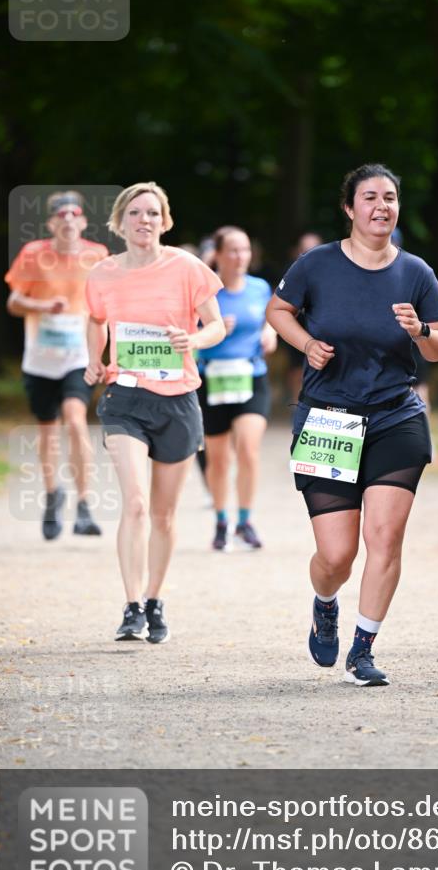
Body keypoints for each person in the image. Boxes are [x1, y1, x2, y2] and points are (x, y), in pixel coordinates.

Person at [266, 163, 438, 686]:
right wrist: (306, 344)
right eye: (369, 197)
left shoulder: (415, 272)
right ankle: (325, 602)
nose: (381, 206)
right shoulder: (317, 264)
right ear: (349, 208)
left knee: (385, 537)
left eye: (389, 197)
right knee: (336, 554)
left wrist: (420, 331)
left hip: (396, 415)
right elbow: (278, 310)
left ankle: (363, 649)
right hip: (328, 418)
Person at [84, 182, 225, 643]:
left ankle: (153, 599)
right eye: (135, 212)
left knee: (163, 514)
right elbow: (95, 319)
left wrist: (194, 339)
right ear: (120, 221)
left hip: (178, 399)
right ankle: (130, 607)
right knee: (136, 503)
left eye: (152, 213)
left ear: (164, 221)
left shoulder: (187, 267)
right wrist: (94, 358)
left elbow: (216, 325)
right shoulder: (103, 273)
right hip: (125, 398)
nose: (143, 220)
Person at [5, 190, 107, 540]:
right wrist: (42, 307)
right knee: (48, 431)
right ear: (51, 223)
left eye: (73, 214)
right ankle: (52, 496)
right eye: (60, 216)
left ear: (83, 221)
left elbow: (108, 304)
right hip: (40, 359)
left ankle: (84, 505)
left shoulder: (98, 255)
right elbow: (14, 302)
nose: (67, 220)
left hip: (78, 356)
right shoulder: (34, 254)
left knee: (76, 421)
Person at [197, 226, 277, 550]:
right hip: (213, 378)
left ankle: (245, 521)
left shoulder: (260, 288)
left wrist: (270, 331)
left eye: (244, 249)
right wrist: (213, 329)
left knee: (247, 448)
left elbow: (273, 316)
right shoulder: (205, 291)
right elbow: (187, 331)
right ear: (218, 254)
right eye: (232, 250)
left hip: (251, 376)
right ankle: (221, 521)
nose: (240, 256)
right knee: (218, 460)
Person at [284, 233, 323, 404]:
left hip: (323, 332)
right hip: (298, 328)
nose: (308, 254)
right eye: (304, 250)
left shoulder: (331, 273)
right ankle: (297, 407)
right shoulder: (290, 273)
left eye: (313, 249)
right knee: (297, 371)